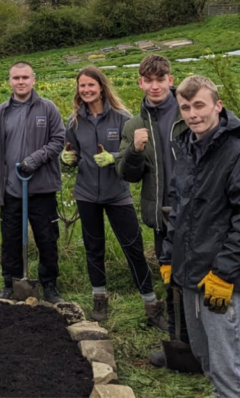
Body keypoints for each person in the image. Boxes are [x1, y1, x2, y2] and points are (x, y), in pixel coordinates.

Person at [160, 75, 240, 397]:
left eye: (199, 106)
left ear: (218, 106)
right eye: (186, 108)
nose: (193, 114)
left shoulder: (239, 156)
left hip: (218, 277)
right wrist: (168, 256)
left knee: (226, 368)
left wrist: (224, 273)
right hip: (189, 274)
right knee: (205, 358)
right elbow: (178, 211)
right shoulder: (189, 152)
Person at [62, 66, 168, 327]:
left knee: (133, 248)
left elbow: (138, 152)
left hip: (118, 194)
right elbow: (70, 156)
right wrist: (64, 160)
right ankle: (99, 299)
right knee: (93, 248)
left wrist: (115, 157)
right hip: (86, 194)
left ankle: (151, 304)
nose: (86, 90)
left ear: (101, 87)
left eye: (91, 85)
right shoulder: (74, 121)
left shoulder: (122, 118)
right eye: (82, 86)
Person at [117, 54, 188, 366]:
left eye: (161, 79)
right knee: (171, 281)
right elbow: (126, 174)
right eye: (149, 80)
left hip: (197, 213)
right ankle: (178, 345)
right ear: (140, 82)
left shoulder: (188, 112)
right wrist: (135, 150)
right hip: (163, 216)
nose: (155, 86)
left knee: (200, 279)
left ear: (170, 80)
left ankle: (205, 342)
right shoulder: (134, 124)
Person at [0, 61, 66, 303]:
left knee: (47, 238)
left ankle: (49, 285)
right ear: (10, 81)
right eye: (16, 78)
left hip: (42, 188)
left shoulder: (48, 109)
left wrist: (35, 159)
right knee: (11, 239)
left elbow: (59, 140)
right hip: (11, 189)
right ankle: (10, 283)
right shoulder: (0, 111)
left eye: (25, 77)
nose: (21, 82)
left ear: (34, 80)